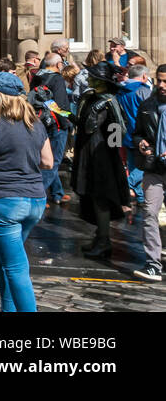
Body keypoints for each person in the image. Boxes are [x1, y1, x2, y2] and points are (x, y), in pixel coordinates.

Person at [0, 72, 53, 312]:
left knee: (16, 268)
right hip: (35, 200)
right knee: (4, 259)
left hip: (4, 202)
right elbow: (47, 162)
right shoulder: (35, 124)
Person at [71, 62, 133, 261]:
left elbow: (118, 131)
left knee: (101, 196)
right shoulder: (90, 97)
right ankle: (99, 237)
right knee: (90, 194)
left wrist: (110, 151)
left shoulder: (109, 101)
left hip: (102, 156)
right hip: (86, 152)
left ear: (102, 81)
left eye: (93, 77)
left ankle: (104, 240)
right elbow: (82, 124)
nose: (88, 79)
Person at [131, 65, 166, 281]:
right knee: (149, 213)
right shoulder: (148, 105)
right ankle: (153, 263)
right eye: (159, 80)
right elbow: (136, 133)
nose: (161, 85)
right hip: (154, 168)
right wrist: (141, 143)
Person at [29, 53, 73, 205]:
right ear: (58, 64)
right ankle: (38, 195)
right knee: (53, 161)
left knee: (46, 157)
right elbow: (60, 105)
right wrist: (69, 120)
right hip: (57, 124)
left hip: (41, 122)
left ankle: (57, 193)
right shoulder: (57, 78)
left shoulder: (37, 76)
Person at [116, 64, 152, 206]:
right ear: (144, 76)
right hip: (141, 134)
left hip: (125, 133)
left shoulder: (120, 91)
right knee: (144, 166)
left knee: (133, 165)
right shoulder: (143, 91)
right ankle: (125, 185)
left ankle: (141, 198)